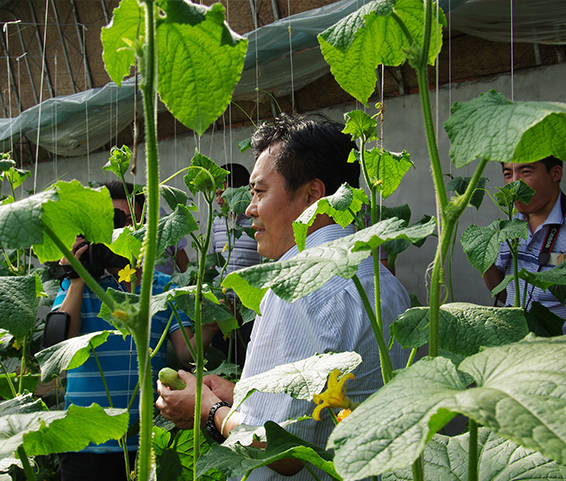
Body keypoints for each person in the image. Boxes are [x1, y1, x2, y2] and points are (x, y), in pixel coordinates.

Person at [156, 114, 411, 480]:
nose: (249, 208)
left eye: (259, 191)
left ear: (313, 194)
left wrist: (206, 410)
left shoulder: (298, 288)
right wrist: (241, 394)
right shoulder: (382, 279)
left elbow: (283, 449)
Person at [51, 181, 201, 481]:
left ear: (144, 228)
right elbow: (59, 347)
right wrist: (79, 275)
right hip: (84, 444)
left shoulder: (161, 287)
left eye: (126, 223)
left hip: (145, 440)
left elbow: (187, 353)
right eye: (109, 223)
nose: (117, 234)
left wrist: (211, 322)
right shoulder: (80, 288)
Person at [484, 157, 566, 326]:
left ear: (556, 173)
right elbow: (503, 293)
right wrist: (483, 257)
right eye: (508, 174)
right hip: (515, 342)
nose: (514, 183)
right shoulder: (508, 226)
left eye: (526, 172)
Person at [210, 163, 262, 366]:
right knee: (222, 360)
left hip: (249, 309)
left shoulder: (256, 221)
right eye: (216, 194)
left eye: (223, 193)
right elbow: (215, 263)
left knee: (246, 360)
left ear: (241, 192)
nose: (218, 199)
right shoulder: (216, 222)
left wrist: (243, 304)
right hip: (223, 308)